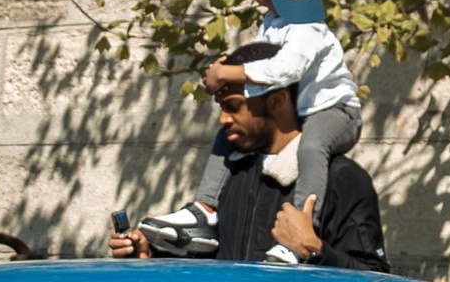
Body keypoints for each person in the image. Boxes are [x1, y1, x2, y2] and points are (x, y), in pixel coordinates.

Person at [142, 0, 362, 246]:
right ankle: (205, 209)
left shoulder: (306, 28)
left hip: (335, 112)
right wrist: (226, 71)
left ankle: (304, 225)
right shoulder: (275, 20)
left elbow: (284, 69)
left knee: (312, 147)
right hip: (300, 108)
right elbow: (263, 62)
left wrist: (226, 72)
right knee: (231, 130)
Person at [113, 69, 387, 271]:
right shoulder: (230, 172)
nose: (223, 119)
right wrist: (152, 254)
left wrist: (315, 249)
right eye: (221, 107)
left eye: (233, 107)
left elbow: (374, 280)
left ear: (277, 101)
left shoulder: (342, 178)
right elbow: (209, 261)